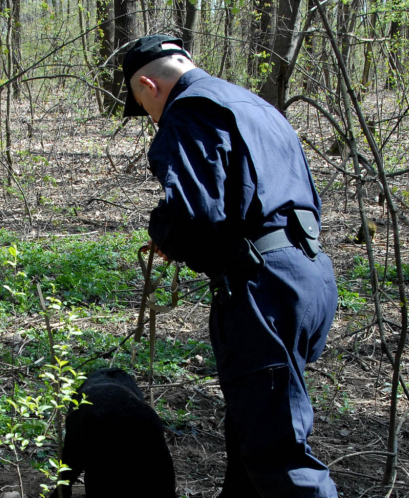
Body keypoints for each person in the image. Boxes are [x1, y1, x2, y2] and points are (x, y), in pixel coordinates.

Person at [121, 34, 339, 498]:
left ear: (148, 85)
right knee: (252, 428)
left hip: (264, 285)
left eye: (142, 106)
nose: (149, 117)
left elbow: (196, 216)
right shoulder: (253, 104)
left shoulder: (189, 110)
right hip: (310, 271)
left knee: (276, 450)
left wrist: (164, 233)